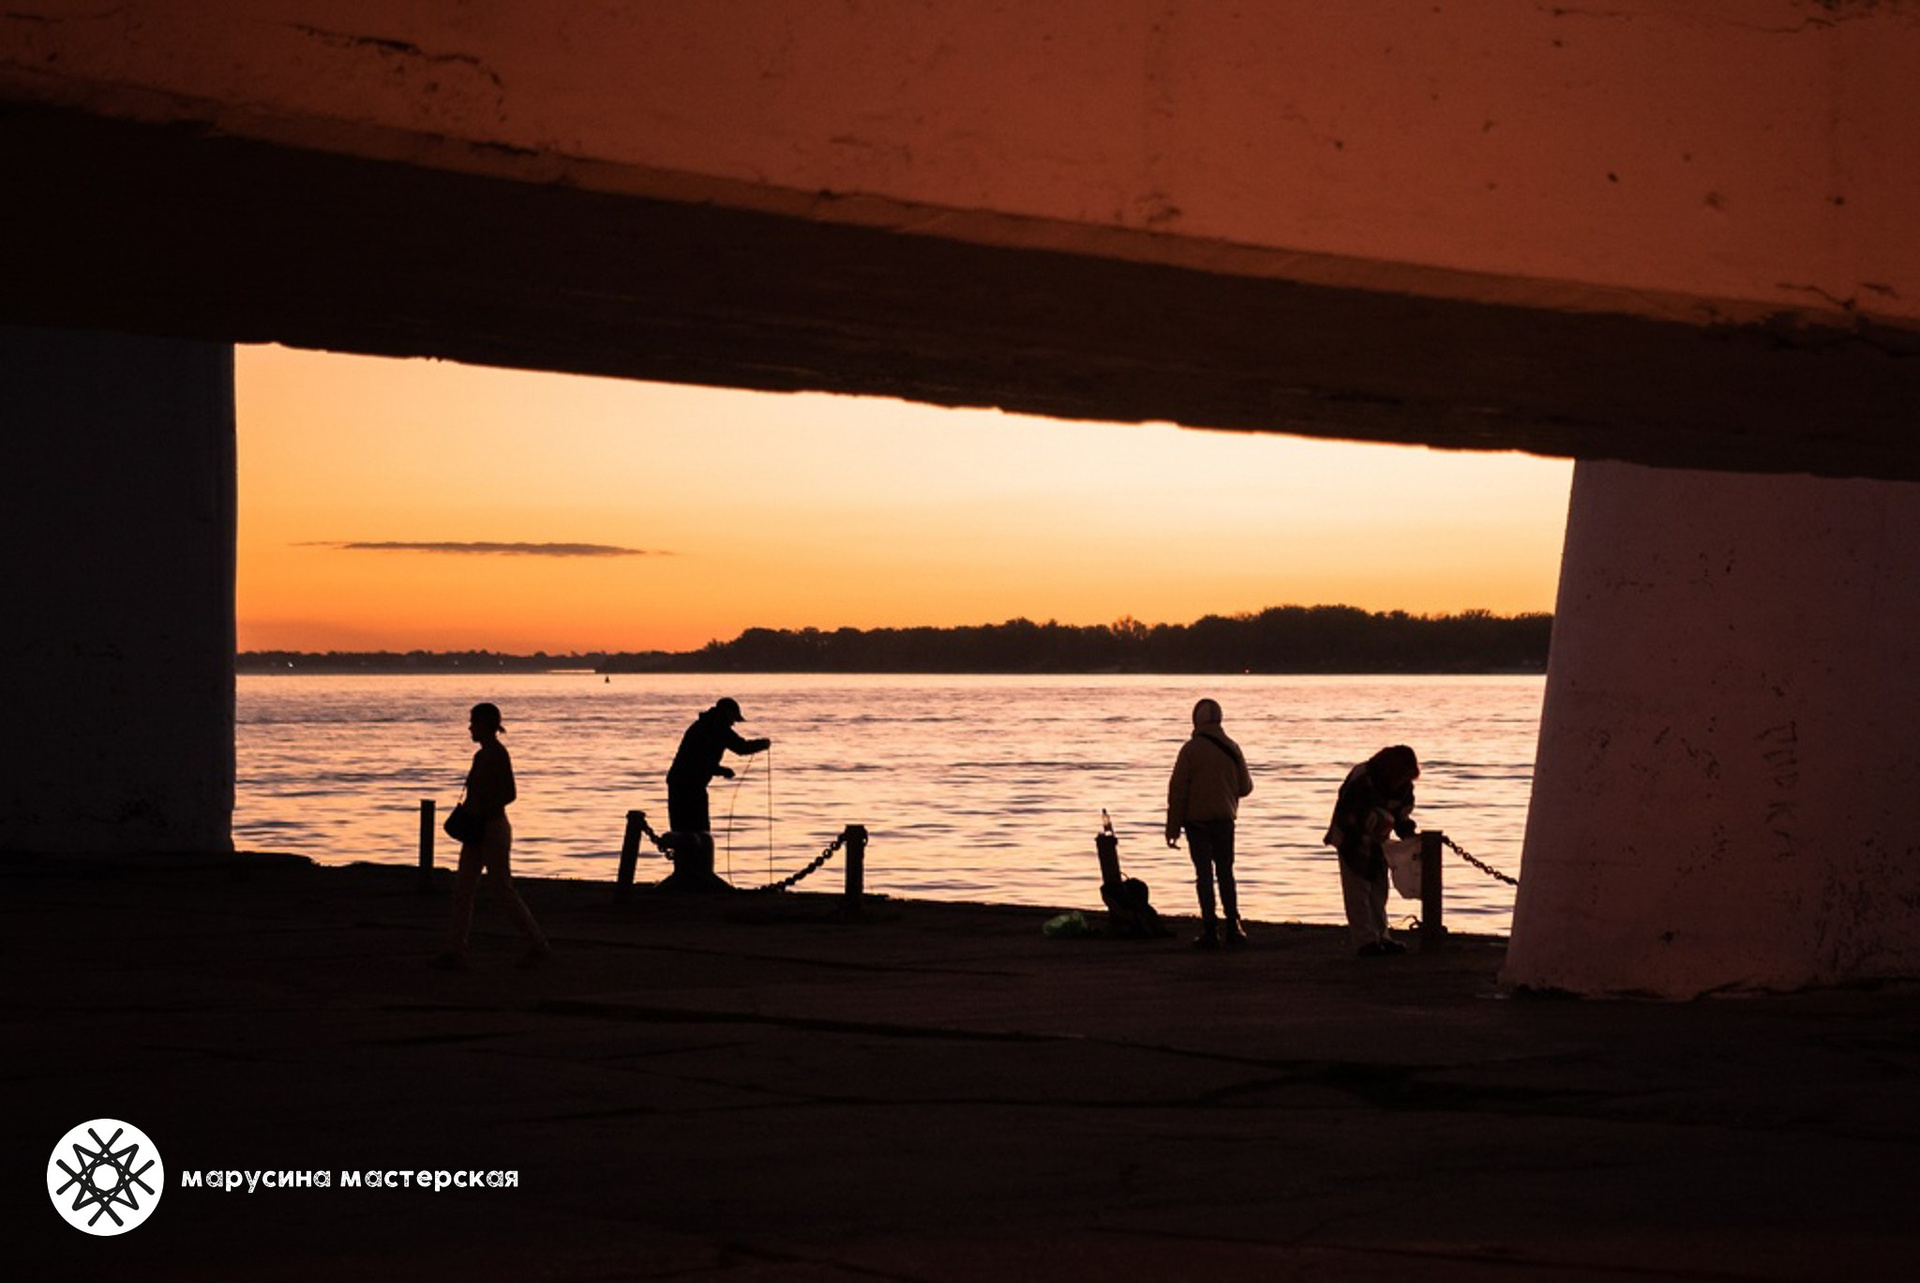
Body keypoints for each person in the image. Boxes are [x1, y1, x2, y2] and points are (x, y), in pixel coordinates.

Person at [437, 702, 551, 969]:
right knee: (463, 889)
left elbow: (509, 793)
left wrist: (482, 810)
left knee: (502, 889)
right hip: (476, 828)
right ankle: (456, 951)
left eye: (473, 723)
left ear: (485, 725)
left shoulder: (498, 754)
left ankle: (538, 944)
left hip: (493, 828)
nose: (469, 728)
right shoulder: (481, 755)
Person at [1164, 697, 1254, 949]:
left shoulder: (1189, 750)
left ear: (1196, 720)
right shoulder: (1233, 747)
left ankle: (1210, 929)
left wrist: (1172, 828)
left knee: (1204, 875)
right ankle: (1233, 927)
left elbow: (1177, 792)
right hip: (1225, 820)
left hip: (1197, 824)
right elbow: (1246, 787)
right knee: (1226, 873)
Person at [1324, 744, 1420, 956]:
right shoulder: (1362, 778)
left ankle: (1382, 937)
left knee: (1379, 890)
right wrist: (1371, 824)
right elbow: (1346, 815)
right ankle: (1365, 941)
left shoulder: (1404, 788)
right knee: (1357, 892)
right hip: (1351, 840)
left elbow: (1401, 816)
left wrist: (1409, 835)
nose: (1404, 782)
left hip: (1379, 842)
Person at [666, 697, 771, 836]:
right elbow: (741, 747)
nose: (733, 723)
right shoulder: (718, 728)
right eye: (733, 718)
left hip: (679, 782)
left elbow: (698, 760)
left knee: (682, 831)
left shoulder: (702, 725)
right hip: (691, 786)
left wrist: (721, 770)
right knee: (699, 832)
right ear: (727, 712)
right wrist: (762, 744)